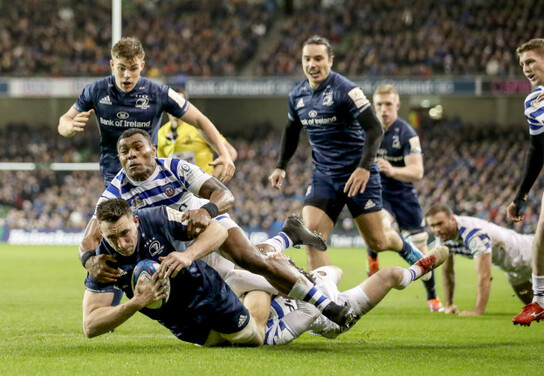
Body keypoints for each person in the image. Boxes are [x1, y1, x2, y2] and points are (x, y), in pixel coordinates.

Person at [81, 128, 357, 329]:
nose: (132, 155)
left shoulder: (175, 168)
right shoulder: (115, 193)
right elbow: (89, 238)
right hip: (176, 249)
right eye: (124, 152)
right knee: (238, 278)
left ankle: (325, 305)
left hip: (204, 227)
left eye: (138, 147)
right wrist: (89, 261)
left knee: (248, 259)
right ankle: (286, 238)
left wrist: (206, 210)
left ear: (153, 149)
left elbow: (224, 195)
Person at [268, 35, 427, 279]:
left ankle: (404, 247)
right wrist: (281, 166)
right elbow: (291, 131)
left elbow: (374, 128)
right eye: (307, 59)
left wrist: (364, 167)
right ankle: (326, 300)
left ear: (330, 60)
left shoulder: (346, 90)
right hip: (324, 175)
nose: (312, 64)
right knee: (311, 236)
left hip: (358, 176)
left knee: (378, 241)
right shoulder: (297, 95)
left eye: (319, 58)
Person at [82, 198, 264, 347]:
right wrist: (136, 303)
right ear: (101, 232)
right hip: (178, 322)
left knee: (253, 339)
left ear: (135, 221)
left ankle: (260, 289)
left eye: (125, 233)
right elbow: (90, 326)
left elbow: (219, 231)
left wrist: (188, 255)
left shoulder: (157, 218)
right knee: (220, 345)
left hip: (208, 295)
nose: (121, 244)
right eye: (111, 237)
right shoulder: (103, 262)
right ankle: (239, 289)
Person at [58, 37, 234, 187]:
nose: (127, 75)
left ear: (142, 66)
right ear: (112, 65)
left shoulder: (158, 92)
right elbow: (64, 121)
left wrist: (224, 154)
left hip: (150, 181)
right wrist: (70, 127)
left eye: (133, 68)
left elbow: (200, 120)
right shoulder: (95, 90)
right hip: (114, 180)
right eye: (121, 68)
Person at [202, 245, 448, 344]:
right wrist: (283, 275)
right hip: (331, 313)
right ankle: (417, 271)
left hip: (309, 283)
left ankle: (294, 239)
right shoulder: (271, 335)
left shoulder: (240, 302)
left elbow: (237, 279)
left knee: (334, 269)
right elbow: (311, 310)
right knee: (391, 275)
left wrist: (277, 269)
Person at [366, 84, 442, 312]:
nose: (384, 109)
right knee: (379, 225)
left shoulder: (407, 133)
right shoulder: (367, 131)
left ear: (397, 105)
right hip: (380, 194)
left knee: (422, 252)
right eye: (379, 105)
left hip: (405, 196)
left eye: (388, 104)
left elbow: (417, 172)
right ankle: (373, 261)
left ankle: (433, 298)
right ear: (373, 106)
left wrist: (391, 170)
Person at [425, 204, 544, 319]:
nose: (437, 230)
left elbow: (484, 275)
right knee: (539, 310)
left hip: (531, 254)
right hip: (513, 271)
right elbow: (448, 272)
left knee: (540, 306)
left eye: (440, 224)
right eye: (432, 226)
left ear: (452, 219)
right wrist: (449, 304)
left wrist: (477, 311)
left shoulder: (473, 233)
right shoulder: (444, 238)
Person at [506, 38, 544, 326]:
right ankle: (539, 300)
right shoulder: (533, 102)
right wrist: (521, 194)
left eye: (530, 61)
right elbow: (537, 150)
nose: (525, 68)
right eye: (522, 64)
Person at [157, 87, 238, 180]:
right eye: (172, 103)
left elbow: (231, 152)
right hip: (180, 190)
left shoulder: (199, 128)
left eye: (179, 102)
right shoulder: (160, 133)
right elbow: (162, 165)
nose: (175, 106)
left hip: (203, 187)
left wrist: (214, 176)